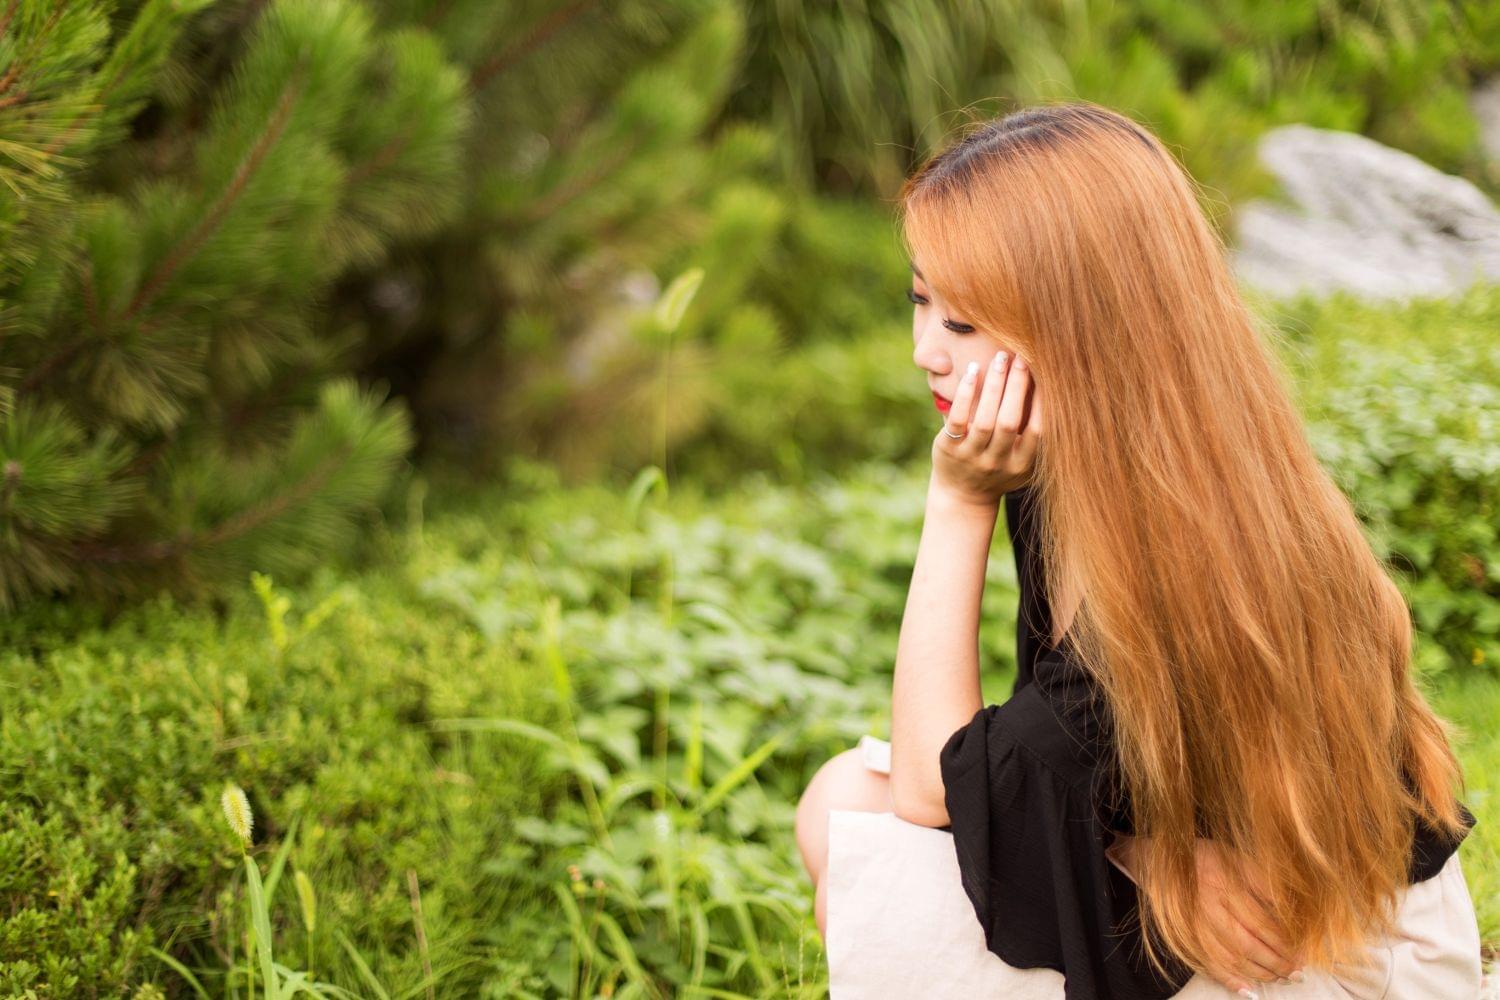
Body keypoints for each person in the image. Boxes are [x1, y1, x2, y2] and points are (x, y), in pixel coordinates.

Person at [794, 102, 1482, 1000]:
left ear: (1080, 324)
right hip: (1255, 900)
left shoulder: (1186, 551)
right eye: (921, 302)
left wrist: (957, 501)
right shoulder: (1131, 462)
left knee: (862, 847)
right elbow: (1062, 773)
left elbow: (934, 789)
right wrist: (1144, 849)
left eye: (964, 325)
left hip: (1339, 956)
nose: (926, 351)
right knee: (843, 795)